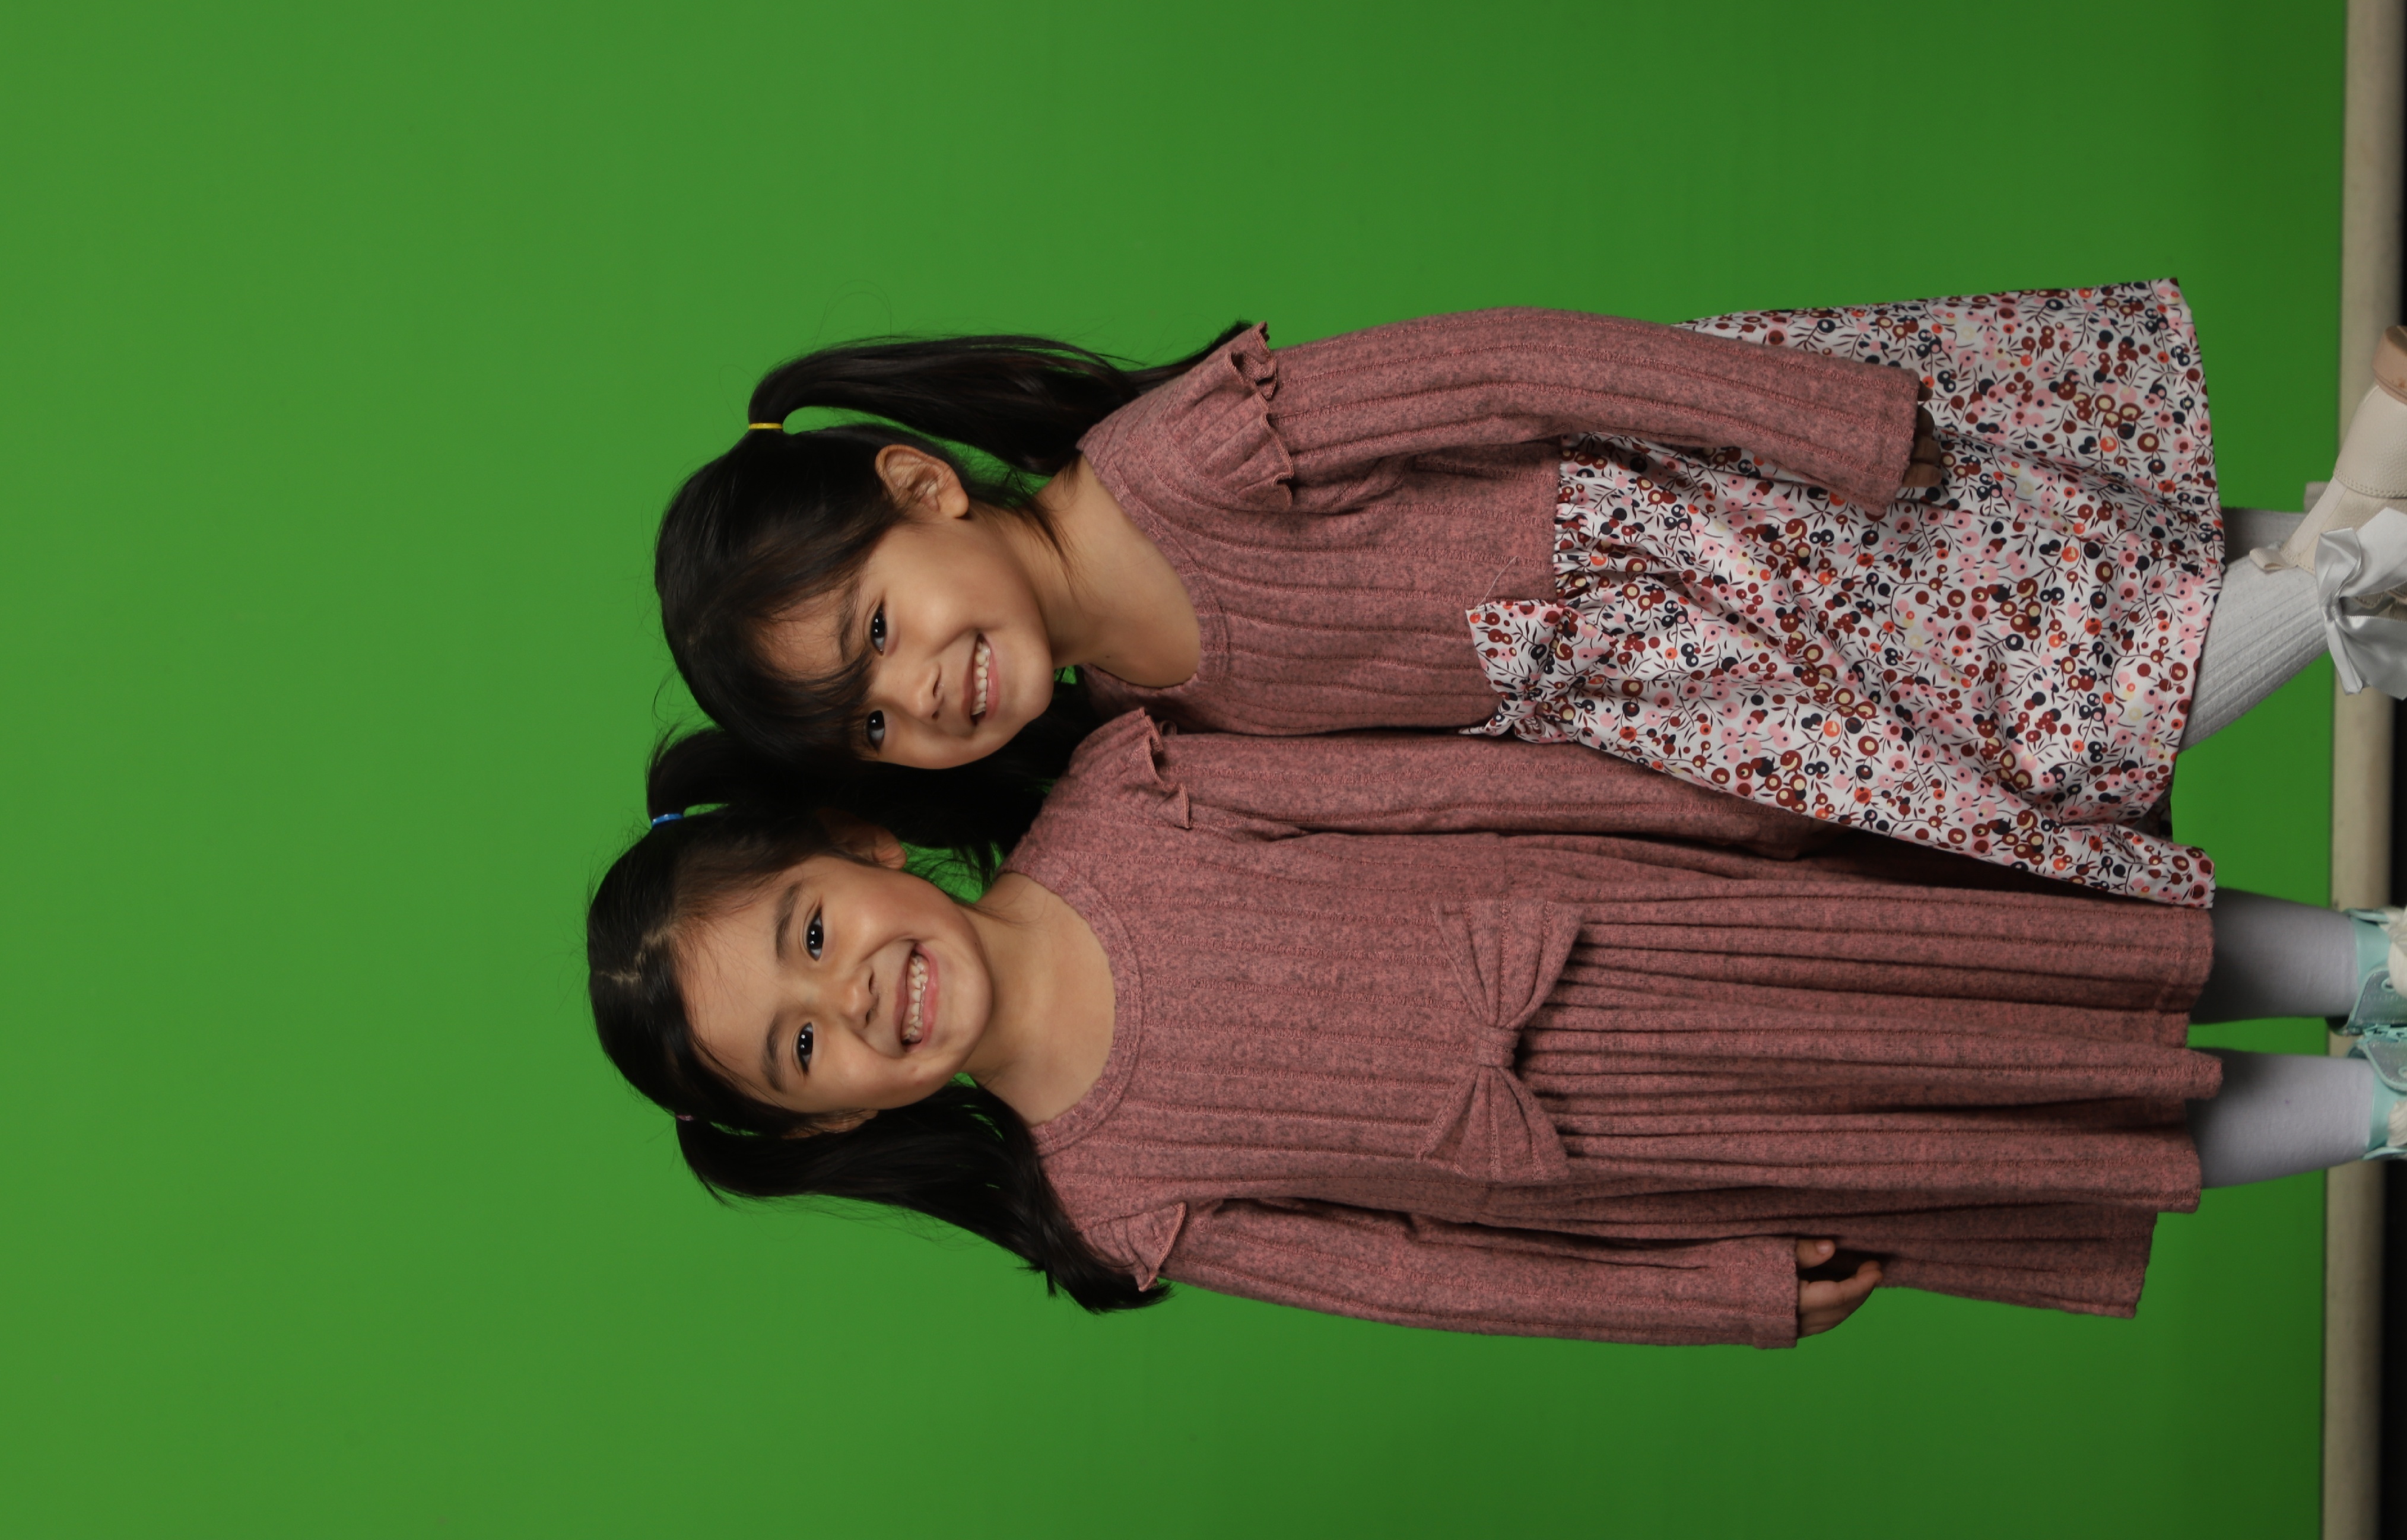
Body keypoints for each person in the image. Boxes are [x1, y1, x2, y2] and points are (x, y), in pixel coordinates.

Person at [588, 719, 2407, 1348]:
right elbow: (1423, 1278)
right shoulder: (1116, 1197)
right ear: (829, 1121)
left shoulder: (1128, 795)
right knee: (2018, 1135)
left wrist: (1713, 806)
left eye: (810, 936)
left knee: (2046, 962)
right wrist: (1714, 1294)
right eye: (802, 1051)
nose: (852, 997)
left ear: (859, 848)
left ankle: (2370, 963)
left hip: (1678, 922)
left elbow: (1433, 793)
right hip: (1662, 1158)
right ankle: (2377, 1113)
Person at [655, 284, 2407, 908]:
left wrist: (1822, 426)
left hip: (1706, 522)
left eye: (879, 628)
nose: (918, 694)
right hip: (1674, 695)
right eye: (868, 722)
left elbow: (1503, 366)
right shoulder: (1144, 718)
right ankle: (2373, 521)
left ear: (923, 486)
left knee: (2076, 701)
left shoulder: (1179, 458)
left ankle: (2368, 511)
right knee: (2107, 593)